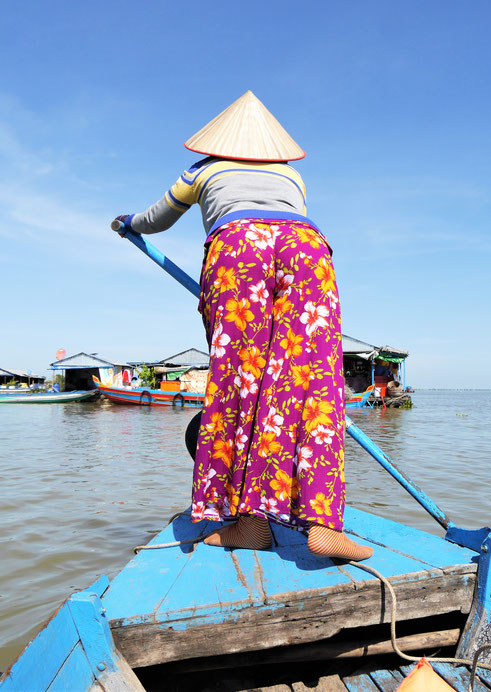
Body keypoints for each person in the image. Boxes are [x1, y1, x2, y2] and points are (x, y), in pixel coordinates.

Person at [113, 91, 372, 561]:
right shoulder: (291, 175)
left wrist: (127, 222)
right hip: (307, 250)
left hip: (239, 252)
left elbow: (156, 218)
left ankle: (250, 523)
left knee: (241, 382)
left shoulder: (202, 170)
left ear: (220, 140)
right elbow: (282, 217)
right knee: (311, 383)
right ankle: (324, 524)